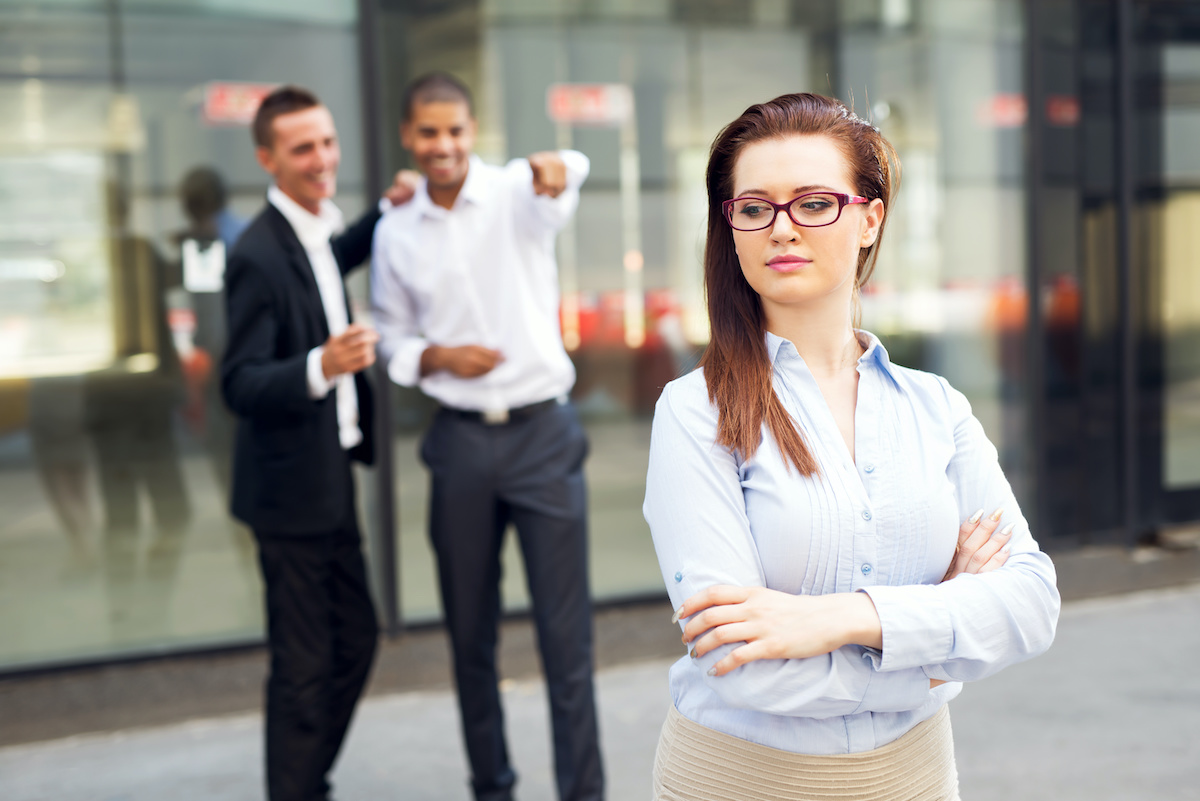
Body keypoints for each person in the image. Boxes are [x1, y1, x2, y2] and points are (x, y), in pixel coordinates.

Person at [643, 93, 1060, 801]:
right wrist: (941, 645)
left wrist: (837, 618)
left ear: (870, 218)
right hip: (742, 779)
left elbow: (1030, 603)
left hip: (915, 776)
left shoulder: (936, 407)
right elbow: (744, 662)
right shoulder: (694, 411)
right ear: (732, 228)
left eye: (813, 203)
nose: (781, 228)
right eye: (754, 207)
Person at [371, 72, 604, 801]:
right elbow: (388, 333)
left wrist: (558, 166)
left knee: (568, 642)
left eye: (456, 131)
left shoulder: (515, 192)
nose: (444, 146)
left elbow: (568, 174)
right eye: (429, 133)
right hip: (461, 442)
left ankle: (582, 793)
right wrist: (436, 356)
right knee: (470, 637)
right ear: (409, 137)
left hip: (543, 434)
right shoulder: (393, 228)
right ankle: (491, 787)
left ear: (473, 131)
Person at [220, 85, 415, 801]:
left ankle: (304, 780)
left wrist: (386, 211)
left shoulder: (311, 234)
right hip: (288, 496)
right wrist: (320, 365)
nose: (322, 158)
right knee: (304, 664)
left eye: (328, 142)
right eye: (303, 148)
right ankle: (297, 787)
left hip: (329, 481)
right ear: (267, 158)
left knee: (356, 640)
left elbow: (333, 254)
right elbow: (237, 383)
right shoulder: (256, 256)